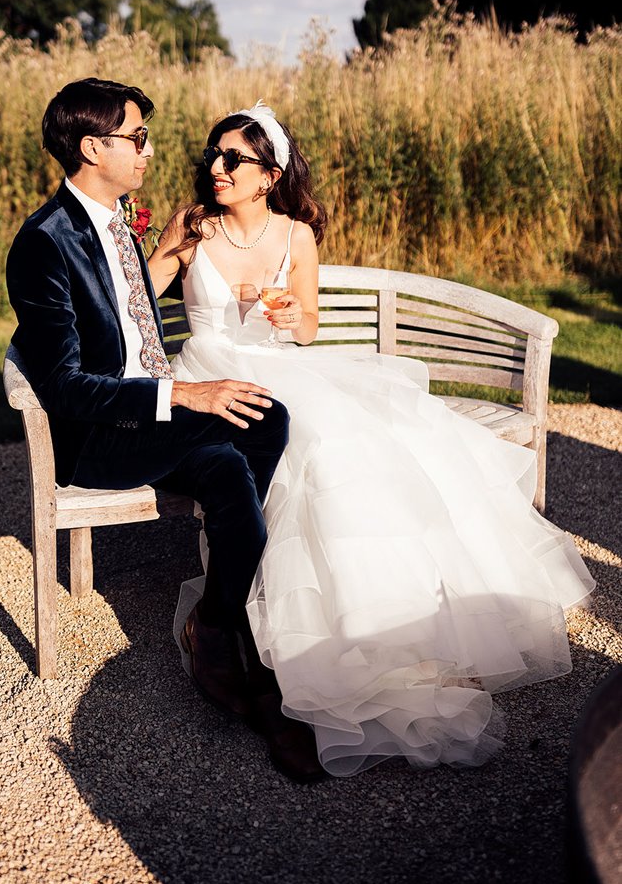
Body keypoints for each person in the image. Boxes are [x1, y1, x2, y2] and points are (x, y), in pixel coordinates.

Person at [147, 100, 596, 775]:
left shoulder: (297, 236)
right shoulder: (193, 224)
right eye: (211, 154)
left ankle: (351, 650)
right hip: (210, 372)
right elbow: (140, 299)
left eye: (233, 158)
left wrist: (291, 313)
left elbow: (306, 330)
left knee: (354, 448)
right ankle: (274, 665)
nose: (216, 167)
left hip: (284, 370)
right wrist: (168, 253)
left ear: (269, 174)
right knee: (300, 456)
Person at [6, 78, 326, 783]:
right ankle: (240, 641)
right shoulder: (46, 243)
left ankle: (221, 623)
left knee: (239, 456)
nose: (151, 149)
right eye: (138, 137)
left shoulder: (120, 220)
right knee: (255, 421)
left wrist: (168, 255)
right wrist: (183, 392)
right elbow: (62, 385)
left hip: (150, 408)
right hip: (104, 433)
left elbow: (132, 321)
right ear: (95, 147)